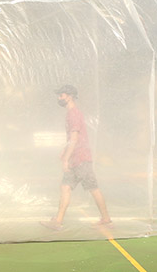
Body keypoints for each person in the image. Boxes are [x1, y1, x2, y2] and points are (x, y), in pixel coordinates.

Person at [43, 84, 111, 230]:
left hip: (79, 158)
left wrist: (66, 159)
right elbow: (73, 139)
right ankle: (59, 220)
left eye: (61, 95)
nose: (59, 98)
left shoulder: (73, 114)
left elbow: (74, 138)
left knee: (85, 187)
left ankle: (104, 219)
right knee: (70, 187)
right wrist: (65, 151)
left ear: (70, 96)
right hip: (79, 157)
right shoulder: (73, 113)